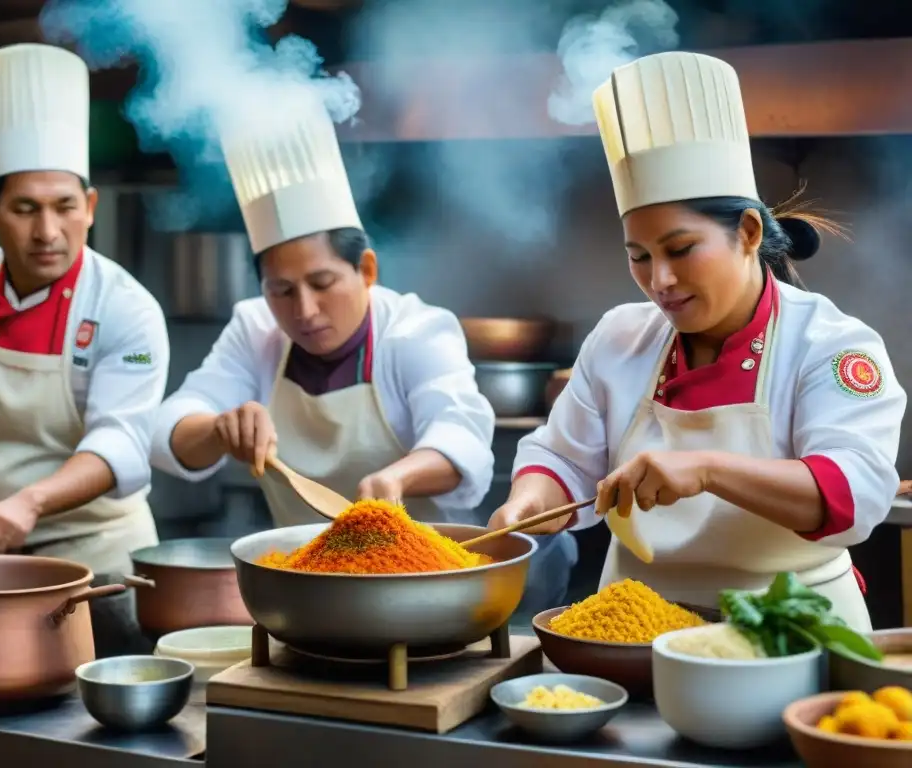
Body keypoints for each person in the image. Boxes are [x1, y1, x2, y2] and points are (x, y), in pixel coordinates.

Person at [488, 51, 905, 631]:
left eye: (681, 250)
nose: (659, 280)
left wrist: (707, 468)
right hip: (631, 630)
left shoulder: (830, 346)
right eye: (639, 257)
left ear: (749, 234)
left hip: (792, 633)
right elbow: (561, 457)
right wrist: (531, 500)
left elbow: (852, 496)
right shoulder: (619, 339)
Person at [0, 43, 169, 579]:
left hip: (98, 555)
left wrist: (32, 501)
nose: (47, 231)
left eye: (64, 207)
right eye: (25, 209)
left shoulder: (126, 308)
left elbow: (120, 440)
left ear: (89, 207)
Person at [150, 96, 495, 529]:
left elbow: (463, 439)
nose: (305, 310)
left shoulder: (416, 331)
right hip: (306, 577)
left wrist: (396, 479)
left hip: (426, 572)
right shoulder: (255, 329)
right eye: (282, 290)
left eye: (322, 284)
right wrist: (220, 427)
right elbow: (167, 431)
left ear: (366, 269)